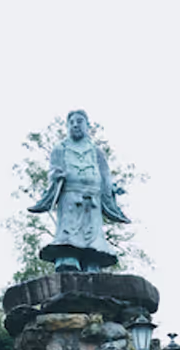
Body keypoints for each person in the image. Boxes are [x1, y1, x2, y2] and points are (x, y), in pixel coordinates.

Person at [28, 110, 130, 272]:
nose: (75, 125)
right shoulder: (60, 148)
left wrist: (111, 188)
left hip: (93, 196)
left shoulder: (96, 151)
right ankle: (68, 257)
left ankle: (92, 260)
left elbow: (105, 175)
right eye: (72, 122)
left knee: (92, 231)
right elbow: (53, 171)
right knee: (69, 228)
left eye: (79, 122)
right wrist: (56, 176)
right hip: (70, 194)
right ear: (67, 126)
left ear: (87, 125)